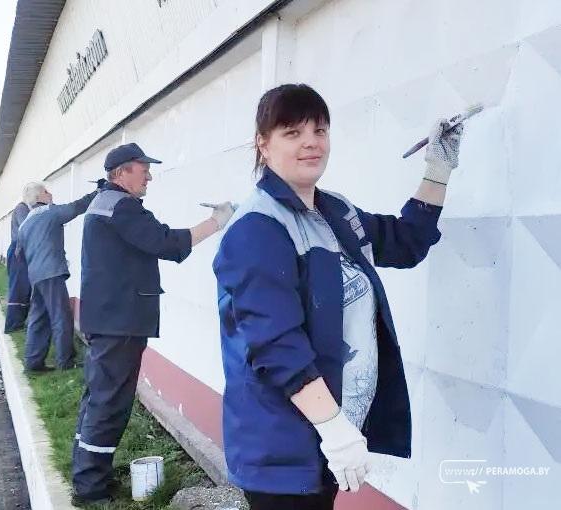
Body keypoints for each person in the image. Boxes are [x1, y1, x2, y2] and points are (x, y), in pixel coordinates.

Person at [213, 84, 464, 510]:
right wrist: (334, 428)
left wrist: (438, 169)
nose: (311, 142)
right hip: (284, 449)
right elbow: (276, 345)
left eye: (320, 130)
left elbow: (405, 243)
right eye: (293, 133)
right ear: (263, 144)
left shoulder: (335, 213)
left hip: (327, 437)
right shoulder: (257, 228)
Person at [70, 143, 235, 505]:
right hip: (119, 321)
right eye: (142, 168)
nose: (149, 174)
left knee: (99, 398)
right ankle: (90, 488)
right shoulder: (122, 207)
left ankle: (88, 471)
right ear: (120, 173)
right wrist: (216, 223)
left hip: (110, 317)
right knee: (110, 402)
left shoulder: (105, 203)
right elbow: (167, 243)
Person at [17, 181, 103, 371]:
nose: (50, 193)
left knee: (38, 318)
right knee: (61, 316)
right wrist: (98, 191)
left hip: (36, 276)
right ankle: (65, 361)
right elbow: (77, 207)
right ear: (39, 197)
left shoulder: (24, 225)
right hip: (51, 273)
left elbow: (19, 253)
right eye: (46, 191)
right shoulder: (49, 212)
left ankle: (33, 362)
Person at [4, 182, 43, 333]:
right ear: (35, 195)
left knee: (25, 287)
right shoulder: (22, 208)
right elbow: (27, 227)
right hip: (18, 252)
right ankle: (13, 324)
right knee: (18, 288)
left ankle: (19, 321)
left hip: (24, 252)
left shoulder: (28, 209)